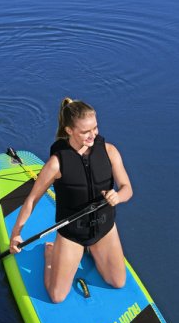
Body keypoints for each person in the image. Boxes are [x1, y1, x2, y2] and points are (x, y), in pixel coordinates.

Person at [8, 98, 134, 303]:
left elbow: (127, 189)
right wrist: (16, 234)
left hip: (105, 230)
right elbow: (32, 200)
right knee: (57, 296)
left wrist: (118, 196)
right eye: (85, 132)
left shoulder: (110, 151)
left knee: (118, 281)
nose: (93, 135)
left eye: (95, 128)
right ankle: (51, 253)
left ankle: (93, 249)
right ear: (69, 130)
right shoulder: (56, 164)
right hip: (72, 234)